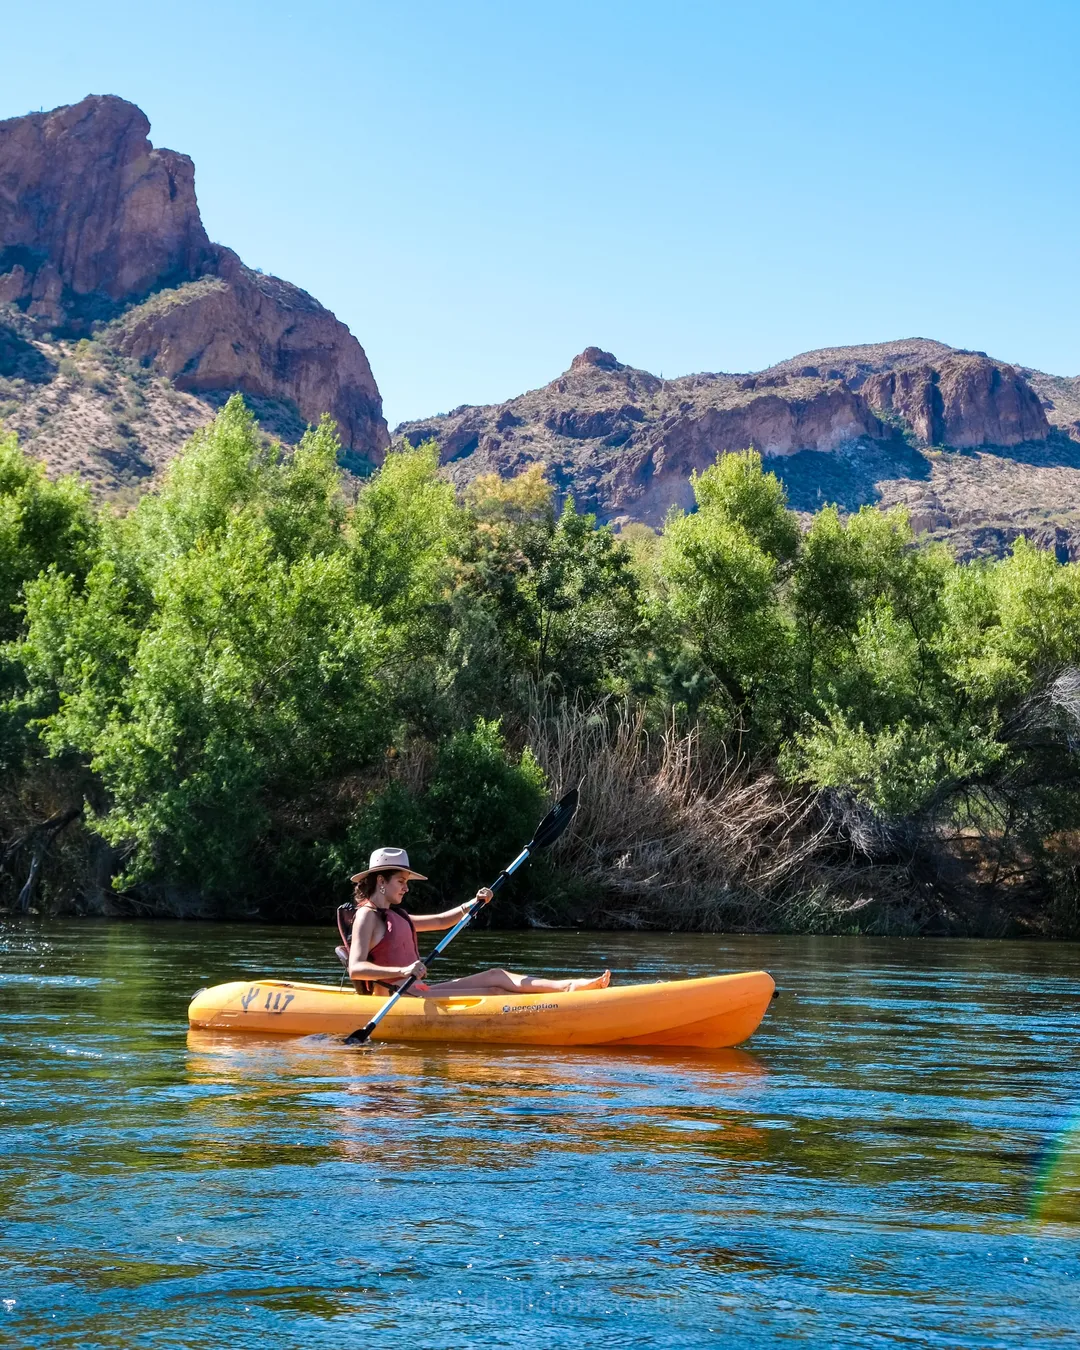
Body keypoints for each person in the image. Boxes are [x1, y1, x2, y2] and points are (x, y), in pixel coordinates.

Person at [342, 847, 611, 997]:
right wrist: (403, 971)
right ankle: (558, 1007)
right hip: (400, 998)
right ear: (381, 881)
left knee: (496, 975)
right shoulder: (366, 917)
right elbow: (356, 969)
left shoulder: (395, 914)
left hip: (418, 990)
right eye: (401, 882)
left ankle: (568, 987)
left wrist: (473, 902)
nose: (406, 888)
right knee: (494, 992)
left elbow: (440, 921)